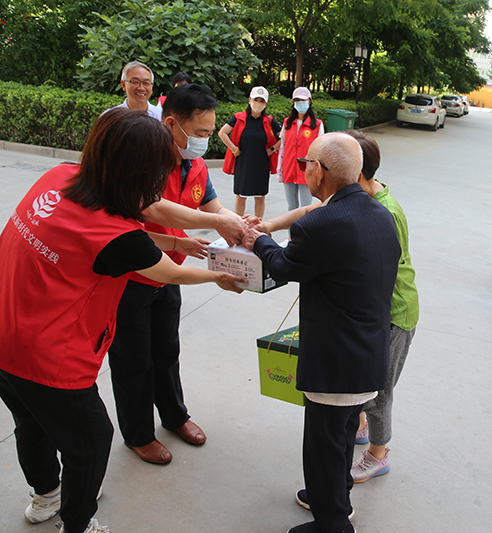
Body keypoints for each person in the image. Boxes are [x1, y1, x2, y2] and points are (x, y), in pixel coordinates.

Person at [0, 108, 245, 533]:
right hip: (47, 357)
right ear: (138, 174)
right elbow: (170, 273)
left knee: (32, 424)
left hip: (1, 333)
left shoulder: (61, 177)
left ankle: (46, 497)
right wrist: (218, 275)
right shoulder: (115, 237)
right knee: (91, 441)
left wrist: (193, 233)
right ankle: (77, 523)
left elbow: (139, 219)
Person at [242, 132, 400, 533]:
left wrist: (258, 240)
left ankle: (332, 524)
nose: (303, 170)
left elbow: (283, 265)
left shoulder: (321, 224)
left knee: (323, 448)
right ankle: (335, 497)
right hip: (368, 354)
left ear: (320, 171)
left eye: (305, 163)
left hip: (336, 361)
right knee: (342, 437)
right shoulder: (380, 212)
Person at [107, 84, 245, 466]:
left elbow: (212, 206)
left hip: (169, 274)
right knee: (134, 361)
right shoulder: (144, 159)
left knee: (166, 350)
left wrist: (241, 225)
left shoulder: (194, 164)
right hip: (132, 277)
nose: (205, 140)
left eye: (209, 132)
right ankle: (138, 434)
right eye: (200, 133)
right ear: (171, 124)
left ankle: (174, 416)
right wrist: (213, 228)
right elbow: (149, 212)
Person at [219, 86, 282, 217]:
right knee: (240, 196)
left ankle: (258, 223)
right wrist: (234, 149)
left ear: (265, 104)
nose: (258, 103)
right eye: (255, 100)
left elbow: (284, 136)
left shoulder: (269, 120)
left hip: (261, 164)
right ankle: (239, 223)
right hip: (243, 163)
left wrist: (272, 149)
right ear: (249, 100)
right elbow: (222, 133)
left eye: (261, 101)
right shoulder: (238, 118)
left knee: (260, 197)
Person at [277, 86, 324, 212]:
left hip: (307, 170)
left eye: (303, 100)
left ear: (309, 101)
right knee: (291, 207)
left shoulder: (317, 124)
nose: (300, 103)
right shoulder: (287, 123)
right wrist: (280, 169)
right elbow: (282, 147)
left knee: (306, 207)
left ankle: (304, 226)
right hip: (289, 169)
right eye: (297, 100)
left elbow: (321, 150)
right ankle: (292, 227)